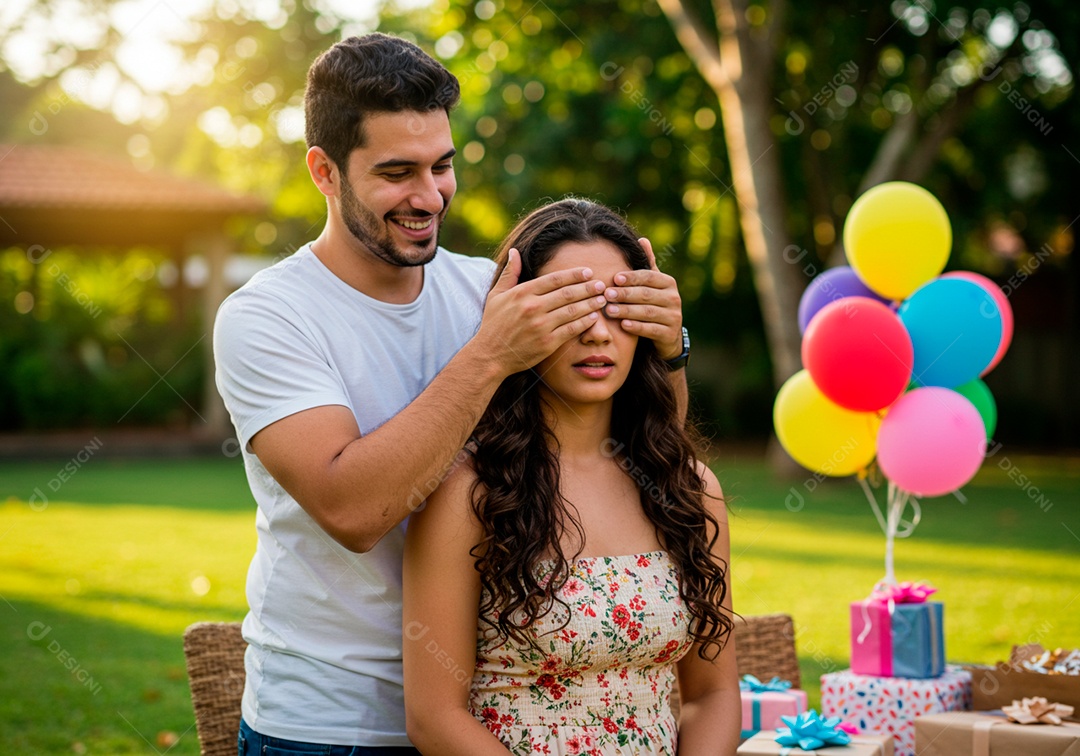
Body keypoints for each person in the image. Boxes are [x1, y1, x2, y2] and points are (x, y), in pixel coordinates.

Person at [213, 34, 691, 753]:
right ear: (325, 171)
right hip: (330, 722)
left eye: (442, 166)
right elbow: (353, 510)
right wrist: (490, 353)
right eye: (397, 172)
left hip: (488, 715)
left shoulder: (482, 286)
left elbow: (643, 452)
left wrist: (669, 345)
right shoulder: (267, 317)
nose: (428, 195)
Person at [402, 198, 739, 755]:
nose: (597, 333)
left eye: (616, 306)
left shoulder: (688, 489)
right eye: (568, 308)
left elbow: (714, 694)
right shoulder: (470, 493)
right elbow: (434, 717)